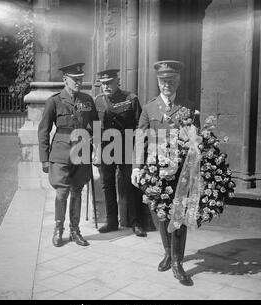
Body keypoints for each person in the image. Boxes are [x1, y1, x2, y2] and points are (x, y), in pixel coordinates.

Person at [131, 60, 199, 283]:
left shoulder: (188, 107)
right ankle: (168, 253)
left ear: (178, 81)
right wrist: (136, 167)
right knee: (160, 213)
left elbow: (196, 141)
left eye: (171, 80)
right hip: (156, 172)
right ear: (158, 82)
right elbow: (140, 139)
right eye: (163, 81)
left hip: (181, 172)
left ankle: (178, 262)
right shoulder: (150, 108)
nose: (166, 85)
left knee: (178, 213)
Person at [38, 62, 98, 247]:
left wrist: (95, 149)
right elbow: (43, 131)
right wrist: (44, 158)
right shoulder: (54, 101)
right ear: (65, 80)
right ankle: (58, 229)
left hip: (81, 152)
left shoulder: (88, 100)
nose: (79, 82)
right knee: (62, 192)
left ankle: (75, 230)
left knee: (77, 191)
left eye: (80, 79)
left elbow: (96, 126)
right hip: (61, 152)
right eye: (75, 79)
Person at [94, 69, 147, 237]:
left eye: (109, 82)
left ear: (118, 81)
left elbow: (140, 124)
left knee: (131, 184)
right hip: (105, 148)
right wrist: (95, 151)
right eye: (103, 83)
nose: (106, 86)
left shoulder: (131, 99)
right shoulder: (98, 101)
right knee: (107, 184)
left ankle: (135, 222)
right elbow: (95, 127)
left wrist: (138, 148)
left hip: (126, 147)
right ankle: (111, 221)